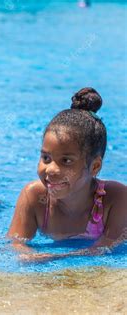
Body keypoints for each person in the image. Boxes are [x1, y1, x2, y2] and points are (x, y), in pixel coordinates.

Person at [7, 88, 127, 262]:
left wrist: (57, 257)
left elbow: (109, 246)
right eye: (46, 158)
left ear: (95, 166)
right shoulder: (34, 197)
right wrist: (28, 255)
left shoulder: (116, 198)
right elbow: (13, 244)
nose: (51, 170)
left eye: (66, 161)